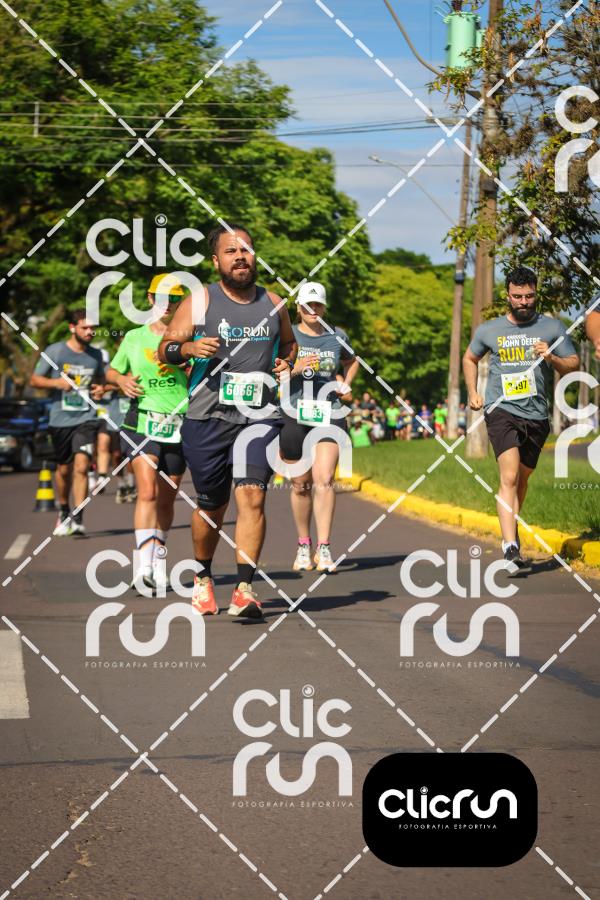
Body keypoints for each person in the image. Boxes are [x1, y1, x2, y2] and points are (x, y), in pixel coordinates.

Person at [158, 224, 297, 618]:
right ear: (216, 260)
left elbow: (289, 343)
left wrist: (285, 360)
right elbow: (165, 349)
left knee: (252, 496)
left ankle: (244, 589)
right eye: (231, 251)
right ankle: (203, 576)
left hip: (259, 415)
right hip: (207, 416)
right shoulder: (200, 301)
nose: (240, 257)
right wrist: (187, 347)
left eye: (246, 250)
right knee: (212, 505)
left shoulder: (274, 302)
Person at [463, 265, 579, 570]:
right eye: (518, 296)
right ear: (508, 295)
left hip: (537, 415)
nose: (524, 301)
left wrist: (551, 357)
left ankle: (510, 528)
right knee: (510, 476)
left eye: (529, 296)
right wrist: (473, 392)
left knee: (523, 479)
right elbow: (469, 358)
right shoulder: (489, 330)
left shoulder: (551, 328)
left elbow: (573, 363)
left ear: (535, 294)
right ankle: (510, 547)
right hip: (501, 409)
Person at [106, 275, 189, 592]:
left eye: (175, 299)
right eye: (163, 298)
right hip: (141, 422)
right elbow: (112, 370)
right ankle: (143, 567)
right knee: (147, 493)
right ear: (151, 299)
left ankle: (158, 559)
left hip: (179, 423)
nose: (168, 304)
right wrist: (121, 381)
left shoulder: (188, 337)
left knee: (167, 500)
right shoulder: (134, 337)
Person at [278, 282, 358, 572]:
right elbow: (273, 372)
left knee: (324, 479)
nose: (313, 310)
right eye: (307, 305)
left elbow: (352, 361)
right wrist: (295, 369)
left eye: (318, 305)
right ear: (298, 307)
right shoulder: (288, 336)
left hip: (329, 412)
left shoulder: (337, 336)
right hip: (294, 412)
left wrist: (345, 383)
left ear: (324, 307)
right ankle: (304, 545)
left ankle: (324, 548)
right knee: (301, 485)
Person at [30, 309, 104, 536]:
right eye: (85, 327)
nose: (90, 332)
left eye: (92, 328)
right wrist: (56, 384)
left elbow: (101, 380)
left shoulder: (96, 355)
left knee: (82, 466)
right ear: (72, 328)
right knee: (63, 469)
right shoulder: (56, 351)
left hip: (86, 418)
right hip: (60, 419)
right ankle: (64, 509)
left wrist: (101, 388)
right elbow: (35, 380)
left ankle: (78, 517)